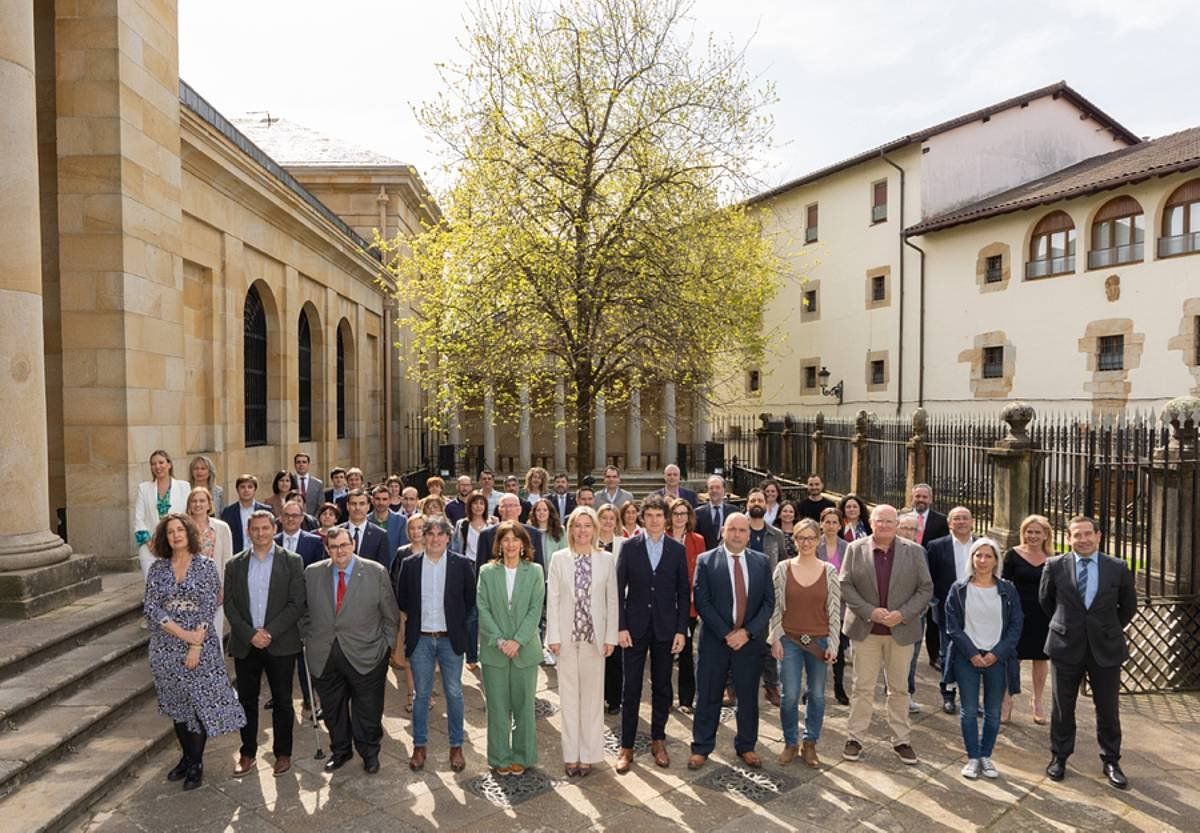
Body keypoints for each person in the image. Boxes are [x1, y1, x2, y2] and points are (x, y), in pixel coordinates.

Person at [144, 513, 245, 790]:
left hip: (200, 648)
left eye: (180, 530)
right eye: (170, 532)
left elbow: (208, 606)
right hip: (165, 647)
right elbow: (152, 608)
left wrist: (195, 643)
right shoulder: (157, 569)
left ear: (189, 533)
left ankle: (196, 763)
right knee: (177, 706)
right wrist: (181, 633)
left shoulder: (206, 566)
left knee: (198, 703)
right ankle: (187, 757)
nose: (176, 535)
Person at [1040, 516, 1137, 789]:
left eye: (1087, 534)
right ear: (1067, 538)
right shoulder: (1055, 565)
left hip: (1105, 648)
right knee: (1062, 707)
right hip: (1065, 645)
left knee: (1108, 708)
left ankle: (1111, 760)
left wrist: (1105, 628)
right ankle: (1059, 757)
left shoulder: (1117, 567)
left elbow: (1128, 606)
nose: (1082, 540)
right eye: (1076, 535)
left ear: (1098, 536)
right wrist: (1068, 626)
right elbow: (1046, 601)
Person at [839, 504, 933, 766]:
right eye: (879, 521)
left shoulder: (913, 552)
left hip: (900, 631)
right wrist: (870, 611)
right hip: (865, 629)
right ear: (871, 522)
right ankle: (855, 737)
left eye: (889, 522)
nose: (884, 526)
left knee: (899, 689)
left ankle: (901, 740)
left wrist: (902, 614)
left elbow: (925, 589)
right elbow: (845, 584)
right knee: (862, 687)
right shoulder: (855, 549)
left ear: (897, 524)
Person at [304, 527, 400, 774]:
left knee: (367, 710)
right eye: (334, 547)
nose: (340, 551)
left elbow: (390, 615)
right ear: (327, 549)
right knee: (333, 709)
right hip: (325, 655)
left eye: (344, 545)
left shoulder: (375, 572)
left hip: (367, 654)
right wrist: (309, 638)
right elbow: (303, 612)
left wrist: (386, 646)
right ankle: (341, 751)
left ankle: (369, 752)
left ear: (353, 544)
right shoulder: (312, 573)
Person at [688, 513, 774, 771]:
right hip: (716, 642)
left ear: (749, 534)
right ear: (723, 531)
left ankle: (746, 746)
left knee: (748, 697)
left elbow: (768, 603)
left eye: (742, 530)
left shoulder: (761, 562)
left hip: (749, 643)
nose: (737, 535)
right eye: (732, 529)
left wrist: (746, 633)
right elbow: (702, 602)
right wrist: (728, 633)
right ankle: (701, 747)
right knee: (708, 696)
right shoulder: (706, 561)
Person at [224, 511, 306, 778]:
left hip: (280, 642)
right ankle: (247, 752)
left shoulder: (292, 561)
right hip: (246, 643)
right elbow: (231, 606)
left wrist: (269, 632)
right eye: (255, 529)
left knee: (283, 700)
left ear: (274, 529)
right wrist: (250, 634)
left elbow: (296, 603)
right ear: (249, 532)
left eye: (265, 528)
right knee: (247, 700)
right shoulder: (234, 564)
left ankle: (283, 753)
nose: (260, 533)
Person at [393, 515, 476, 773]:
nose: (435, 538)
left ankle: (456, 746)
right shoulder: (410, 564)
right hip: (421, 640)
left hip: (450, 639)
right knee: (420, 695)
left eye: (441, 534)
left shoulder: (462, 565)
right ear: (423, 536)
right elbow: (403, 600)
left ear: (448, 538)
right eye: (430, 533)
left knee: (453, 693)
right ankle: (419, 745)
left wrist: (456, 626)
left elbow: (470, 602)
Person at [615, 496, 689, 773]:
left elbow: (683, 593)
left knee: (662, 687)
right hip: (633, 629)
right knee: (631, 688)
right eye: (651, 515)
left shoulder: (676, 550)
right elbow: (617, 589)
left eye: (660, 515)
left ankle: (658, 739)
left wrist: (681, 630)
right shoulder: (629, 547)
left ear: (666, 519)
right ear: (642, 518)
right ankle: (627, 745)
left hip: (665, 629)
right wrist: (620, 626)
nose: (655, 520)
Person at [546, 507, 619, 778]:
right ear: (570, 529)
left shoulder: (606, 559)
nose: (582, 531)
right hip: (565, 639)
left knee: (591, 699)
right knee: (568, 698)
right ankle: (571, 755)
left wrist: (611, 636)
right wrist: (552, 637)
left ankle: (588, 755)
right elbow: (552, 598)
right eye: (577, 525)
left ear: (595, 529)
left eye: (588, 525)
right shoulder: (559, 559)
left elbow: (612, 600)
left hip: (594, 639)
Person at [944, 538, 1023, 780]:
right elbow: (953, 627)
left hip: (997, 659)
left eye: (988, 556)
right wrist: (972, 654)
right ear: (972, 559)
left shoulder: (1007, 589)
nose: (983, 561)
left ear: (996, 560)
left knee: (993, 711)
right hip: (967, 658)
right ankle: (973, 757)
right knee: (968, 709)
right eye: (978, 555)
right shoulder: (959, 589)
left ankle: (986, 755)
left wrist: (995, 653)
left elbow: (1016, 624)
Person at [477, 521, 546, 775]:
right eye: (505, 540)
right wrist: (499, 640)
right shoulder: (487, 571)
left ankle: (523, 755)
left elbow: (535, 609)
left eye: (515, 540)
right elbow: (482, 607)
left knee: (524, 707)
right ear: (499, 544)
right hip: (494, 650)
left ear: (523, 543)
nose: (510, 545)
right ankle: (499, 757)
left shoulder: (535, 571)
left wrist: (518, 640)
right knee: (496, 706)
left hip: (524, 649)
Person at [770, 519, 841, 767]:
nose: (807, 542)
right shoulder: (783, 568)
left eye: (811, 538)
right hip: (789, 639)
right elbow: (776, 607)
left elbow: (834, 611)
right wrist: (775, 638)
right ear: (795, 540)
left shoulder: (829, 571)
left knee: (817, 695)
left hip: (819, 642)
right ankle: (791, 742)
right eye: (801, 538)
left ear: (819, 539)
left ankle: (810, 743)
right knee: (789, 695)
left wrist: (833, 644)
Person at [1002, 514, 1055, 724]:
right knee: (1013, 658)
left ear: (1046, 535)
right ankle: (1007, 700)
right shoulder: (1012, 555)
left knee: (1041, 659)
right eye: (1029, 531)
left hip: (1043, 615)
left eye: (1037, 532)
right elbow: (1004, 585)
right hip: (1017, 613)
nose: (1032, 536)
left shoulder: (1053, 559)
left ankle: (1038, 700)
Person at [275, 499, 326, 714]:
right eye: (286, 515)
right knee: (281, 660)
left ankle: (309, 697)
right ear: (281, 518)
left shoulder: (313, 542)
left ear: (302, 517)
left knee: (305, 658)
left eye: (295, 516)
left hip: (305, 611)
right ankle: (282, 698)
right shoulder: (273, 541)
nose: (290, 520)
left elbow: (319, 577)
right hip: (278, 611)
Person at [927, 506, 977, 712]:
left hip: (978, 609)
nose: (961, 522)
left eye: (965, 518)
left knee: (975, 654)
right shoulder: (937, 546)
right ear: (949, 523)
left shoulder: (983, 544)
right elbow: (929, 578)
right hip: (949, 609)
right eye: (957, 519)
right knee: (948, 654)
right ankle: (948, 694)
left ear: (972, 522)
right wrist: (935, 603)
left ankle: (971, 698)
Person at [745, 487, 787, 707]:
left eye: (759, 499)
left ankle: (771, 686)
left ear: (766, 504)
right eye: (752, 500)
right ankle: (733, 686)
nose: (756, 503)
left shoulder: (776, 534)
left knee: (769, 639)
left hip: (768, 593)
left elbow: (783, 561)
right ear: (747, 504)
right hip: (742, 592)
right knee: (738, 639)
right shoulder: (737, 529)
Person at [668, 498, 706, 714]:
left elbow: (702, 572)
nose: (680, 517)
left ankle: (685, 699)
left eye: (683, 513)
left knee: (685, 654)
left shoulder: (697, 540)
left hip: (688, 605)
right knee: (663, 653)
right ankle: (664, 697)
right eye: (676, 513)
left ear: (689, 516)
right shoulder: (661, 538)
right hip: (665, 605)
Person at [135, 450, 192, 576]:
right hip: (150, 549)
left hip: (177, 546)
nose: (157, 467)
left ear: (169, 464)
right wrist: (152, 546)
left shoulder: (184, 487)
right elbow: (139, 520)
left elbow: (188, 518)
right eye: (153, 464)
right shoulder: (144, 489)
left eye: (161, 462)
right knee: (152, 587)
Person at [910, 482, 949, 668]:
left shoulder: (941, 521)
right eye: (918, 496)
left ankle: (935, 656)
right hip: (908, 575)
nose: (921, 500)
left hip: (932, 575)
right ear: (912, 497)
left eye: (924, 497)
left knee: (933, 621)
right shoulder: (902, 518)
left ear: (930, 499)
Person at [388, 513, 424, 712]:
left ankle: (425, 693)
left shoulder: (435, 550)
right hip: (407, 612)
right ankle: (411, 695)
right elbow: (395, 581)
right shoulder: (402, 552)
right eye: (412, 528)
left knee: (427, 657)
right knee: (410, 656)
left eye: (419, 527)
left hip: (429, 613)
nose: (415, 532)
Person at [186, 486, 233, 638]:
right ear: (189, 505)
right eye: (194, 501)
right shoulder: (183, 528)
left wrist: (224, 589)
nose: (198, 504)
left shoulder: (222, 528)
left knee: (214, 634)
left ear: (209, 504)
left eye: (202, 501)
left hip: (214, 589)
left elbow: (228, 560)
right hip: (187, 588)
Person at [817, 506, 851, 706]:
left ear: (840, 525)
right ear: (821, 524)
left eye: (834, 522)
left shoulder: (847, 547)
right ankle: (814, 688)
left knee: (837, 648)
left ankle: (839, 686)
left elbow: (850, 575)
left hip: (840, 604)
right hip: (817, 604)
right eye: (827, 521)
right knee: (816, 648)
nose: (830, 526)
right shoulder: (814, 544)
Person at [596, 503, 626, 714]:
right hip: (593, 607)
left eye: (611, 518)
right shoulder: (589, 543)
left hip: (617, 605)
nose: (607, 522)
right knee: (595, 655)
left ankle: (614, 699)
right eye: (604, 518)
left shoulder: (624, 544)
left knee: (615, 656)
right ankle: (596, 697)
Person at [896, 512, 928, 714]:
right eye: (905, 527)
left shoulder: (921, 551)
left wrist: (920, 607)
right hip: (889, 613)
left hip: (914, 614)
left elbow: (925, 584)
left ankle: (907, 694)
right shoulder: (887, 549)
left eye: (913, 529)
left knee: (911, 657)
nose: (908, 532)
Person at [219, 475, 271, 554]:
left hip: (262, 554)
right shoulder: (228, 512)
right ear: (237, 490)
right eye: (242, 487)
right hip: (236, 556)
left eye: (250, 487)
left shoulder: (266, 510)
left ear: (255, 490)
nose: (246, 490)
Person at [342, 488, 391, 569]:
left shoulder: (380, 535)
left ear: (368, 506)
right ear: (347, 506)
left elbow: (383, 569)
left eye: (362, 504)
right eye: (353, 504)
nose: (357, 508)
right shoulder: (336, 533)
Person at [368, 484, 410, 562]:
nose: (381, 502)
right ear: (372, 500)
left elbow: (403, 549)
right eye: (377, 499)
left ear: (390, 501)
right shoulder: (366, 520)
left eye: (384, 499)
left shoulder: (401, 520)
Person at [694, 474, 737, 549]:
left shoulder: (734, 511)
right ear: (708, 491)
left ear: (724, 490)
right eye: (711, 488)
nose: (714, 490)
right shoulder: (698, 513)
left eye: (717, 487)